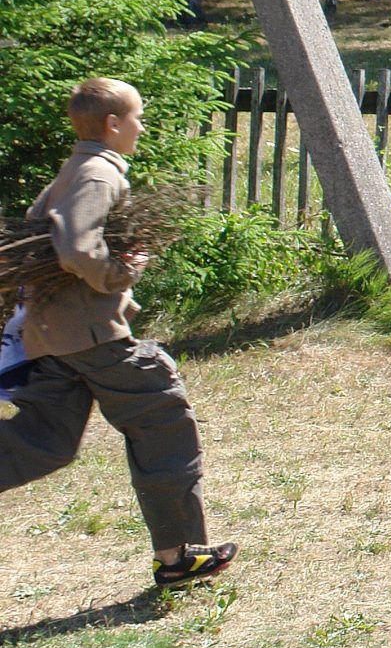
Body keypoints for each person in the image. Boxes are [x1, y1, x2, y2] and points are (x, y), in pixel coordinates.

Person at [0, 79, 236, 589]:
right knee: (162, 418)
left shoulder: (72, 169)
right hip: (91, 337)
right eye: (137, 118)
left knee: (46, 441)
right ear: (112, 125)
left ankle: (177, 553)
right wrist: (120, 272)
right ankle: (178, 555)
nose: (142, 127)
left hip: (56, 336)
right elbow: (80, 249)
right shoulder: (97, 173)